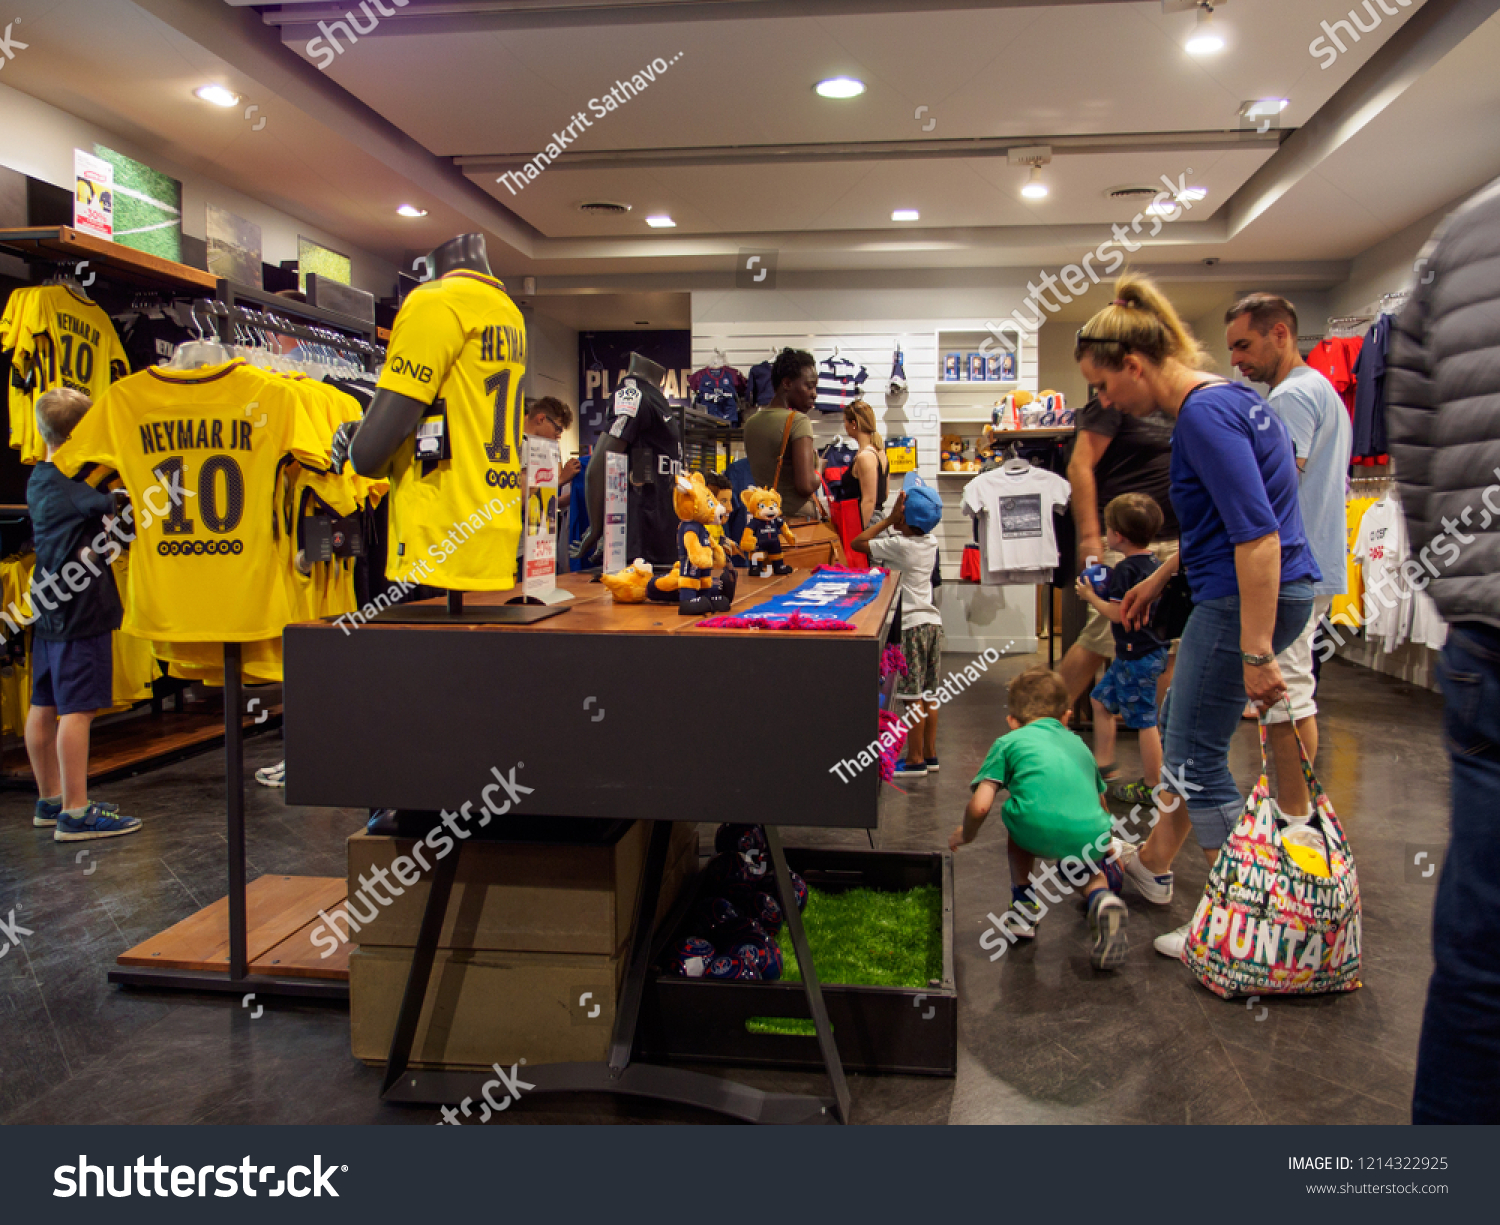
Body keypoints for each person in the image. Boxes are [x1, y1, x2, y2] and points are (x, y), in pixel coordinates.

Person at [1075, 274, 1318, 959]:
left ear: (1133, 364)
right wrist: (1160, 573)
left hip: (1244, 598)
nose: (1104, 401)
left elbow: (1257, 534)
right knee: (1185, 733)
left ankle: (1255, 919)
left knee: (1195, 758)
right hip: (1252, 589)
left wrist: (1258, 649)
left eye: (1102, 385)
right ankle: (1155, 866)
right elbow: (1227, 522)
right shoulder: (1229, 398)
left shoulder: (1204, 416)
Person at [1386, 174, 1500, 1125]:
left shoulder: (1461, 235)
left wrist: (1454, 588)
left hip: (1488, 632)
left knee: (1480, 953)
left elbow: (1412, 454)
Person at [1226, 294, 1352, 819]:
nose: (1236, 360)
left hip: (1291, 568)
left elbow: (1274, 492)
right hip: (1313, 561)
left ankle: (1295, 816)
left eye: (1244, 345)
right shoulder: (1321, 388)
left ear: (1280, 333)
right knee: (1291, 686)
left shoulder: (1290, 399)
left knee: (1287, 692)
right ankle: (1291, 806)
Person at [949, 667, 1128, 970]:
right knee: (1082, 864)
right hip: (1090, 831)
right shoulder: (1080, 746)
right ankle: (1101, 897)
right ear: (1066, 716)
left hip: (1035, 829)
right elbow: (1099, 802)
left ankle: (1022, 907)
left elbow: (980, 806)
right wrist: (1107, 844)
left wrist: (965, 834)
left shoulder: (1008, 742)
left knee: (1019, 815)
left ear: (1012, 722)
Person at [24, 389, 141, 842]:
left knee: (44, 703)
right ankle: (76, 811)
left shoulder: (39, 477)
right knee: (79, 711)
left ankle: (50, 798)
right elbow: (127, 505)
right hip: (80, 608)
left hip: (48, 603)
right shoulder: (81, 488)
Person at [1073, 493, 1170, 805]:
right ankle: (1103, 765)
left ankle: (1153, 783)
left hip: (1136, 655)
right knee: (1100, 700)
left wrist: (1090, 597)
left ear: (1117, 535)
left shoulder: (1126, 570)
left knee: (1144, 720)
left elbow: (1118, 613)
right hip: (1141, 652)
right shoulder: (1156, 564)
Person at [850, 476, 943, 777]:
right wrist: (898, 518)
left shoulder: (901, 546)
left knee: (910, 695)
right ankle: (929, 754)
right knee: (929, 694)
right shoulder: (930, 541)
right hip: (932, 623)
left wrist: (887, 519)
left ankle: (914, 759)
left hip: (911, 626)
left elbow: (857, 542)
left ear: (904, 518)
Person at [743, 348, 820, 518]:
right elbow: (805, 486)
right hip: (798, 524)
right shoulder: (798, 422)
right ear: (787, 383)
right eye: (809, 386)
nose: (814, 394)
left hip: (765, 520)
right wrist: (819, 469)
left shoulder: (751, 424)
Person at [524, 396, 579, 513]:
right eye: (558, 429)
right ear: (541, 419)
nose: (559, 435)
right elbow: (523, 497)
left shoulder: (544, 448)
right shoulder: (521, 446)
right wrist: (561, 479)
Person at [839, 399, 889, 527]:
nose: (844, 426)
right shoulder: (880, 452)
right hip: (878, 521)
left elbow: (869, 501)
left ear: (853, 423)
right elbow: (885, 493)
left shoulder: (865, 457)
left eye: (845, 421)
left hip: (866, 523)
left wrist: (856, 534)